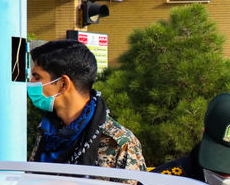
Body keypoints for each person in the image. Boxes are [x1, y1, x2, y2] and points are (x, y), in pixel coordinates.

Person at [28, 39, 145, 171]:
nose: (31, 83)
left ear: (63, 84)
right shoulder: (47, 132)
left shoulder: (119, 143)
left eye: (37, 78)